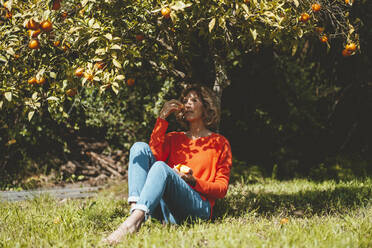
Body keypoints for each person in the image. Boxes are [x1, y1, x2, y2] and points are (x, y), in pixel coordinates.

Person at [104, 85, 232, 244]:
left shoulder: (219, 143)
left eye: (194, 100)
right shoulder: (173, 138)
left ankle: (132, 223)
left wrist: (193, 181)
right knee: (139, 148)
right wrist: (162, 118)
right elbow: (152, 157)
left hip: (199, 207)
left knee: (161, 167)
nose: (188, 103)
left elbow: (221, 189)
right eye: (185, 100)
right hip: (167, 209)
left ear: (205, 106)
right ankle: (135, 215)